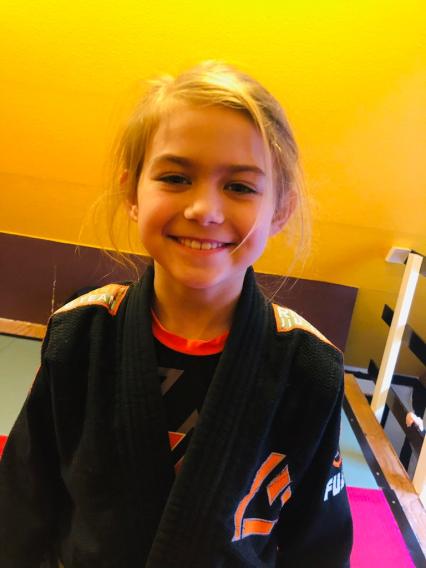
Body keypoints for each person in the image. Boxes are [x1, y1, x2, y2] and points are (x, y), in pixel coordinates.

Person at [0, 61, 353, 567]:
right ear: (132, 193)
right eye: (175, 177)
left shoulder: (308, 368)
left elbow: (318, 547)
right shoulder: (80, 335)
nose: (203, 209)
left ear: (280, 210)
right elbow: (20, 507)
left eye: (239, 187)